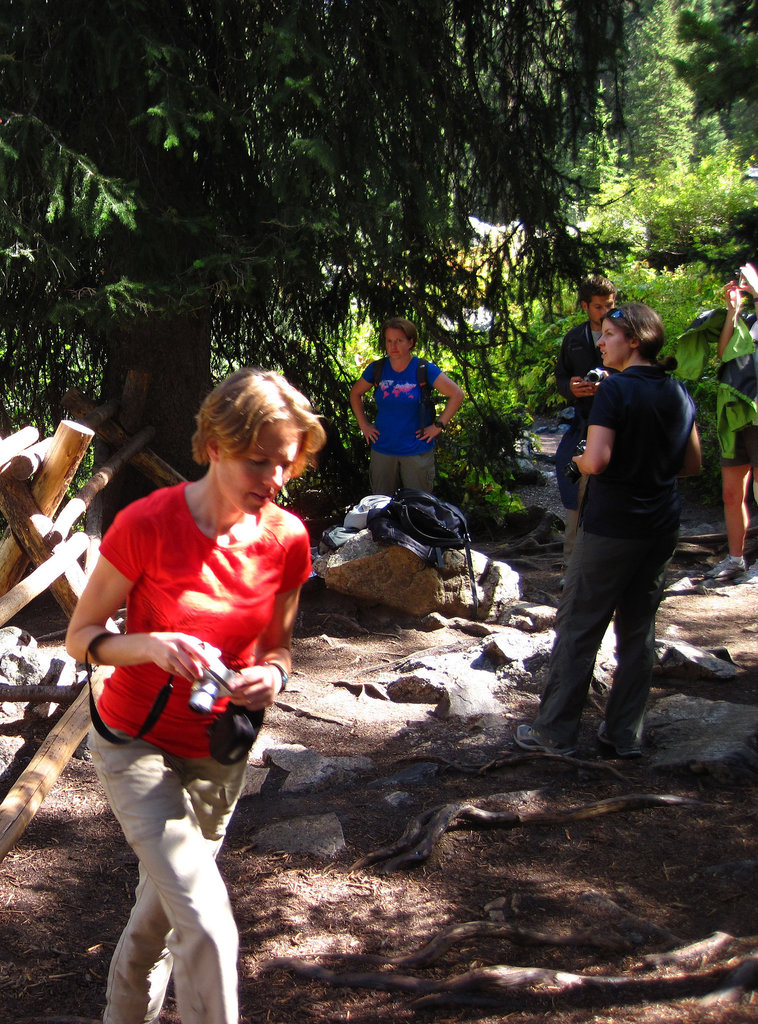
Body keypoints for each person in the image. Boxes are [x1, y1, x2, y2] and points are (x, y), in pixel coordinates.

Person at [66, 368, 326, 1024]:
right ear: (213, 446)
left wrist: (276, 676)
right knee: (209, 924)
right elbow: (81, 638)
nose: (274, 479)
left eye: (287, 465)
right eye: (258, 461)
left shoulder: (288, 539)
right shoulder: (146, 523)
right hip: (136, 743)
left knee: (157, 925)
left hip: (219, 753)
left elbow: (279, 647)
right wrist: (151, 646)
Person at [515, 303, 701, 759]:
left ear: (634, 340)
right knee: (639, 630)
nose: (599, 342)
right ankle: (623, 735)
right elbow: (692, 464)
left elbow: (596, 460)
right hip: (659, 526)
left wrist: (579, 461)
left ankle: (554, 733)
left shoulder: (614, 392)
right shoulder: (677, 391)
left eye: (610, 334)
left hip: (611, 526)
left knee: (579, 624)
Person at [349, 316, 464, 494]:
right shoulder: (377, 369)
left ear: (411, 342)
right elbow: (355, 393)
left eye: (399, 341)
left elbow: (456, 394)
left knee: (418, 508)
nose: (393, 346)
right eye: (389, 341)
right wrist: (364, 425)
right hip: (383, 450)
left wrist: (438, 426)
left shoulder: (424, 369)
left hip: (416, 451)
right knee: (382, 507)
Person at [555, 275, 617, 569]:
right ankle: (573, 565)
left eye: (609, 305)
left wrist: (612, 383)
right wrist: (572, 387)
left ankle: (607, 564)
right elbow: (561, 377)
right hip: (583, 422)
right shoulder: (574, 339)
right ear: (585, 306)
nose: (604, 312)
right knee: (573, 489)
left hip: (617, 425)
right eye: (598, 306)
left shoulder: (624, 334)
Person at [701, 262, 758, 584]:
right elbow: (725, 354)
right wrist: (733, 311)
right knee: (732, 493)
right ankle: (736, 559)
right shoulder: (747, 322)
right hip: (735, 415)